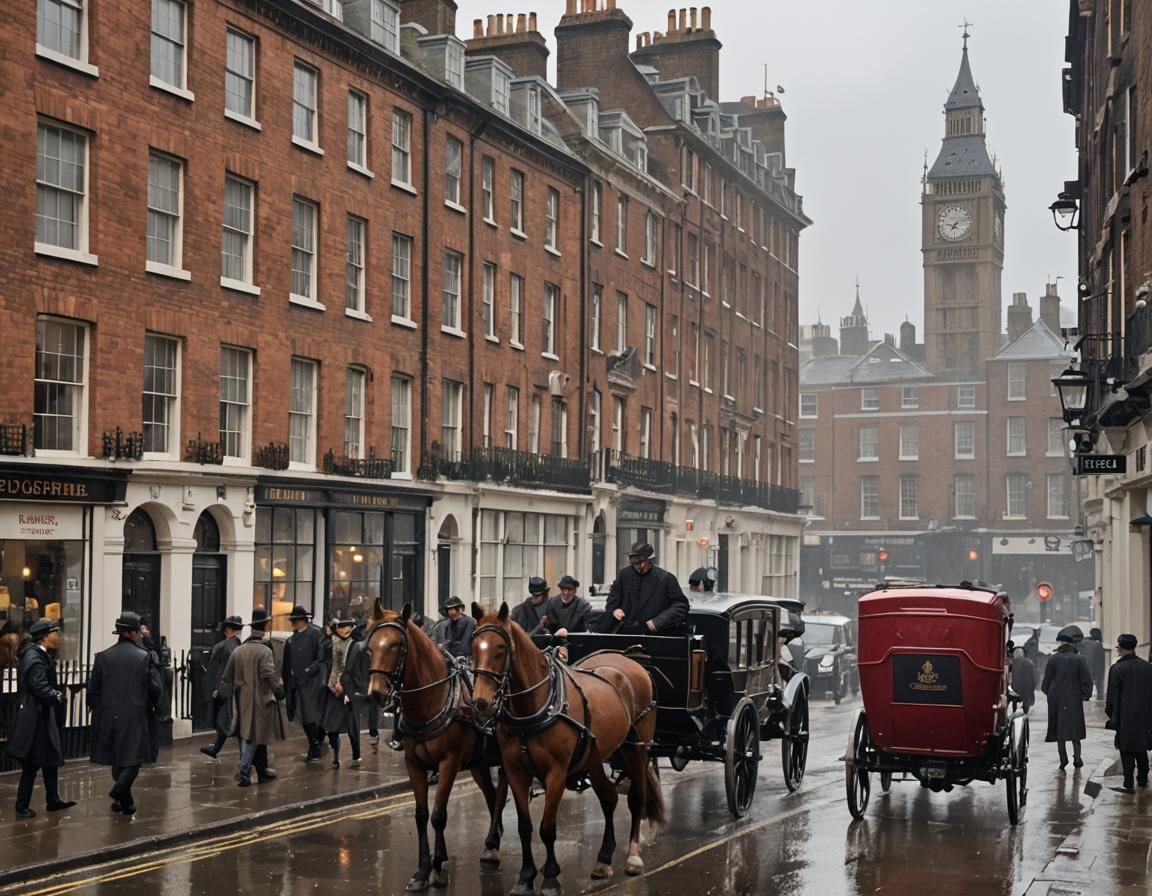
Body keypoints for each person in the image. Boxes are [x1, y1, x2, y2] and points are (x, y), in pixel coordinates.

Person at [87, 611, 163, 816]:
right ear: (131, 633)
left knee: (118, 758)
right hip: (135, 714)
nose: (140, 635)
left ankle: (125, 802)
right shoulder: (144, 657)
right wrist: (153, 706)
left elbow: (93, 690)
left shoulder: (102, 657)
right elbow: (155, 688)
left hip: (108, 714)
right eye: (138, 632)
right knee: (134, 760)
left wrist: (98, 710)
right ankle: (119, 790)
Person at [8, 619, 75, 818]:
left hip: (42, 715)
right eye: (55, 632)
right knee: (32, 763)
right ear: (45, 636)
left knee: (50, 759)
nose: (59, 636)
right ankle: (21, 806)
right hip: (35, 717)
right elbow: (38, 686)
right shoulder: (34, 657)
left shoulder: (38, 655)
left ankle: (53, 800)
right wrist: (56, 696)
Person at [219, 607, 285, 787]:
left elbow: (226, 677)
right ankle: (244, 772)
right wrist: (279, 692)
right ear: (264, 627)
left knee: (249, 736)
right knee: (252, 738)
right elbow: (270, 676)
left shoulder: (238, 651)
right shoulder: (265, 652)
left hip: (241, 700)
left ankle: (260, 770)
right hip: (260, 702)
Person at [603, 542, 689, 635]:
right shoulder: (624, 575)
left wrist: (657, 621)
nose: (638, 567)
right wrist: (614, 610)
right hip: (626, 631)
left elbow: (681, 605)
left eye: (640, 563)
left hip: (654, 634)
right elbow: (613, 596)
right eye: (634, 563)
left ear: (650, 560)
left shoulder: (665, 578)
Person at [1040, 625, 1093, 770]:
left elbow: (1045, 684)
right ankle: (1077, 757)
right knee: (1075, 730)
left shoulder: (1053, 660)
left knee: (1060, 731)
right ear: (1072, 644)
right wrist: (1084, 695)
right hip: (1074, 698)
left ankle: (1063, 760)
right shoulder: (1080, 659)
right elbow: (1087, 680)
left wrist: (1050, 693)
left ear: (1060, 644)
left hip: (1056, 699)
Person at [1105, 633, 1152, 793]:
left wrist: (1112, 716)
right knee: (1141, 747)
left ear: (1122, 649)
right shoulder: (1147, 667)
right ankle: (1143, 778)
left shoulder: (1117, 669)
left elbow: (1111, 697)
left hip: (1125, 716)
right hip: (1145, 714)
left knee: (1126, 749)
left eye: (1118, 647)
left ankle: (1128, 783)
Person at [282, 604, 329, 762]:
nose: (293, 623)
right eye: (293, 620)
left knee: (311, 715)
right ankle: (315, 743)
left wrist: (311, 670)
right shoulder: (291, 640)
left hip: (313, 682)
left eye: (295, 620)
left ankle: (315, 745)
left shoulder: (316, 634)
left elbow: (321, 657)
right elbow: (286, 664)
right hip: (297, 683)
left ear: (303, 620)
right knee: (302, 715)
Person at [200, 616, 245, 759]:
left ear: (228, 631)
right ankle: (218, 749)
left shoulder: (229, 646)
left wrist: (218, 689)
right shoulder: (234, 645)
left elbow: (224, 670)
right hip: (230, 689)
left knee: (226, 721)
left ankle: (244, 758)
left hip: (227, 691)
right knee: (227, 721)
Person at [320, 617, 362, 769]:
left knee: (352, 727)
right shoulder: (332, 643)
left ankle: (356, 756)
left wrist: (343, 686)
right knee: (332, 726)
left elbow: (355, 671)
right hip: (333, 689)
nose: (343, 630)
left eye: (346, 627)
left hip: (348, 691)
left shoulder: (355, 646)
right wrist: (332, 684)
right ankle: (335, 758)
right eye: (341, 627)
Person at [1081, 628, 1107, 700]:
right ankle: (1100, 697)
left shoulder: (1083, 643)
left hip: (1085, 668)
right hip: (1095, 669)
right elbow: (1100, 661)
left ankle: (1086, 697)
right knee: (1099, 687)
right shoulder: (1098, 645)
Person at [1010, 646, 1037, 713]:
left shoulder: (1011, 664)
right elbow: (1033, 677)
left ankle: (1014, 712)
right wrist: (1033, 687)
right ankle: (1025, 714)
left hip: (1014, 688)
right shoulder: (1029, 663)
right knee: (1026, 706)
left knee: (1014, 703)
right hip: (1026, 689)